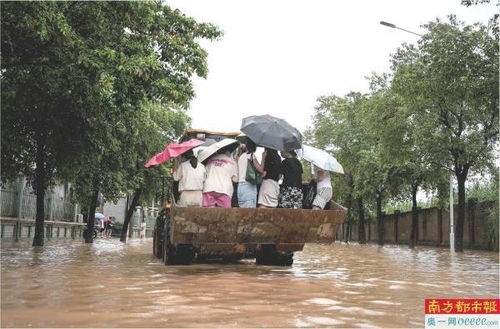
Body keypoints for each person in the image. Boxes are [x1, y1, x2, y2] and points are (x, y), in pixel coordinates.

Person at [237, 139, 265, 208]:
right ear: (254, 147)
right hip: (248, 186)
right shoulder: (251, 155)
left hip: (240, 186)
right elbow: (260, 169)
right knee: (250, 213)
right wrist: (263, 157)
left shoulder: (241, 157)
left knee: (242, 212)